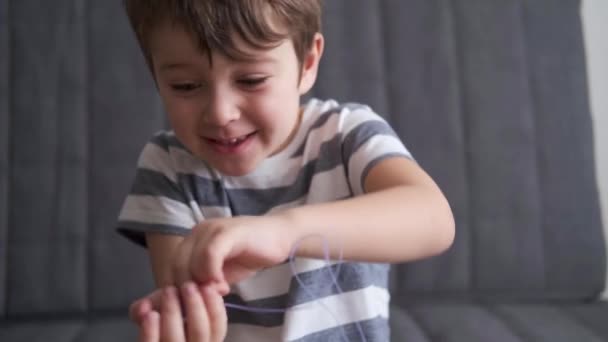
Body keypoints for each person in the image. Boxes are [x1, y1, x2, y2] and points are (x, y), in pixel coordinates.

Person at [117, 0, 455, 341]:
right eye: (185, 86)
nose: (220, 113)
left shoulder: (345, 136)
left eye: (251, 80)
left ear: (307, 63)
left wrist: (284, 233)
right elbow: (186, 302)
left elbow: (434, 220)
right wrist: (192, 324)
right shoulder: (168, 166)